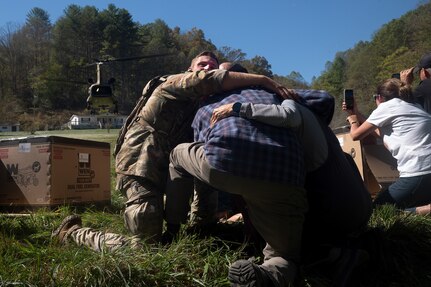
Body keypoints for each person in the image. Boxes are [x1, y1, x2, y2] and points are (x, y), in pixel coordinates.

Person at [52, 51, 294, 249]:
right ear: (190, 69)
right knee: (145, 247)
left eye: (214, 65)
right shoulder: (173, 84)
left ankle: (197, 226)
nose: (209, 68)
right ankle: (74, 232)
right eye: (203, 64)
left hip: (171, 168)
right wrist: (263, 79)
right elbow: (207, 80)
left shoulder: (205, 109)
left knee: (204, 161)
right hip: (141, 163)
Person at [164, 87, 307, 286]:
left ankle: (173, 229)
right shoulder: (276, 95)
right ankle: (268, 275)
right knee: (284, 255)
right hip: (285, 175)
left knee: (178, 154)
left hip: (225, 165)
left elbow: (204, 145)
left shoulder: (208, 102)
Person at [211, 90, 373, 250]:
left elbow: (288, 115)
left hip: (336, 219)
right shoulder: (319, 124)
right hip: (363, 211)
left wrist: (238, 108)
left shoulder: (290, 104)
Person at [343, 78, 431, 212]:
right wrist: (357, 114)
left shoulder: (386, 107)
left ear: (380, 97)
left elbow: (355, 135)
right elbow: (383, 135)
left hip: (419, 173)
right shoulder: (415, 107)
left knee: (378, 209)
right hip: (426, 174)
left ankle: (427, 209)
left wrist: (353, 120)